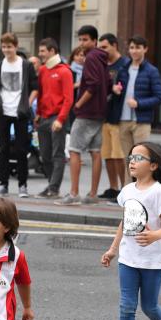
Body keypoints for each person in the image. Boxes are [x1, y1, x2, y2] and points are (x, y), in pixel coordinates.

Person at [101, 142, 161, 320]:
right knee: (127, 306)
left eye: (139, 158)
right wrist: (113, 249)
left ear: (153, 165)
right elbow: (126, 222)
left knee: (149, 306)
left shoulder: (159, 192)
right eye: (131, 156)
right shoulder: (127, 191)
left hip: (153, 260)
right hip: (129, 258)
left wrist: (155, 236)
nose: (132, 161)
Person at [60, 25, 111, 205]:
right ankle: (93, 194)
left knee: (74, 150)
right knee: (95, 152)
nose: (82, 43)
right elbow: (108, 82)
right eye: (80, 39)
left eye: (85, 39)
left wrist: (78, 103)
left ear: (94, 40)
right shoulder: (102, 58)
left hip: (86, 112)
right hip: (100, 112)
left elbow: (93, 84)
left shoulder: (90, 58)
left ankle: (74, 193)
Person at [0, 32, 38, 198]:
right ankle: (3, 184)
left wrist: (27, 104)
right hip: (4, 112)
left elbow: (35, 88)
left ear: (16, 46)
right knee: (3, 149)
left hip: (20, 112)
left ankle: (22, 185)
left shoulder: (25, 65)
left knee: (21, 149)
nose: (6, 50)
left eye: (9, 46)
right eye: (4, 47)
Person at [114, 35, 161, 166]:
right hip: (123, 120)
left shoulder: (152, 71)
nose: (134, 51)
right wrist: (115, 90)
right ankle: (127, 187)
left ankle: (141, 186)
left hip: (141, 121)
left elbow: (159, 97)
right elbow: (118, 89)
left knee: (140, 159)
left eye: (138, 48)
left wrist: (139, 103)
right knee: (128, 160)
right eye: (131, 48)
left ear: (145, 49)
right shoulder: (123, 69)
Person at [36, 37, 74, 198]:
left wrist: (61, 119)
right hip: (43, 117)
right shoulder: (43, 70)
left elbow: (69, 98)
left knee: (57, 154)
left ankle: (54, 188)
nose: (40, 54)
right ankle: (52, 184)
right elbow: (41, 93)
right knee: (44, 154)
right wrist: (37, 113)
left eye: (43, 51)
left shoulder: (65, 71)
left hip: (57, 117)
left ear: (52, 51)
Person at [98, 33, 131, 200]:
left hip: (119, 116)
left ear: (114, 45)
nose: (102, 51)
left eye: (105, 47)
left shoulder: (125, 64)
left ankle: (124, 188)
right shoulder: (102, 64)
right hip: (104, 115)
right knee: (108, 155)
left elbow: (127, 88)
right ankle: (113, 188)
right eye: (100, 47)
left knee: (119, 155)